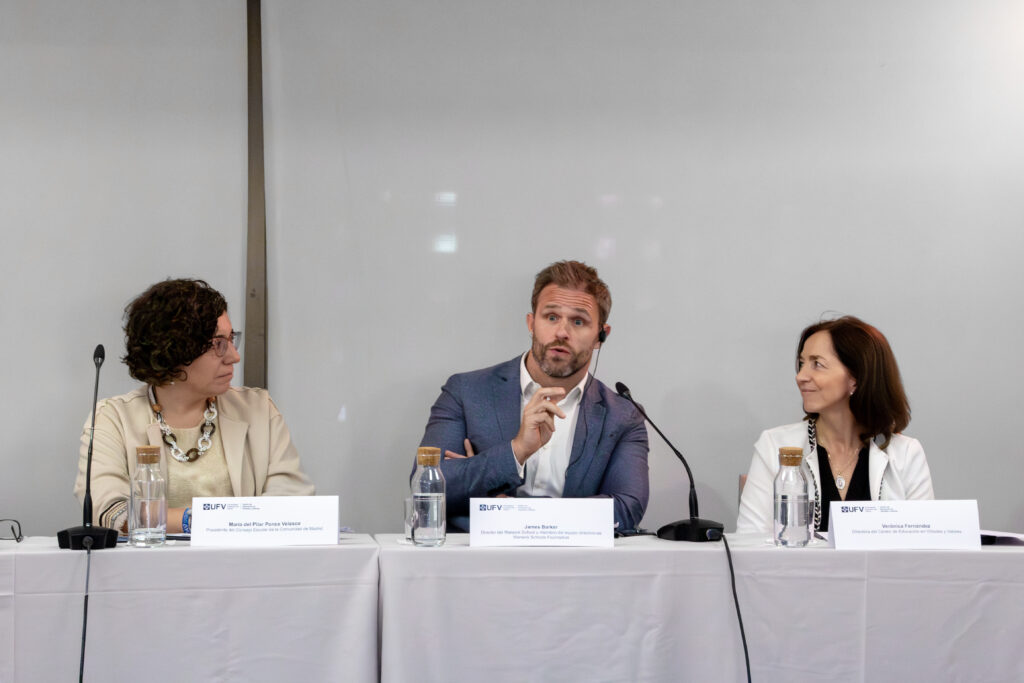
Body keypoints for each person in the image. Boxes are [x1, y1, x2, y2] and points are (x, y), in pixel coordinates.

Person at [417, 260, 649, 532]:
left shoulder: (623, 416)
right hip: (478, 566)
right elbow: (427, 488)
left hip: (576, 570)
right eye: (551, 317)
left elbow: (625, 509)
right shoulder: (466, 393)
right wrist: (516, 451)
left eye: (578, 321)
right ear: (531, 322)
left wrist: (509, 511)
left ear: (601, 336)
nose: (562, 332)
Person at [74, 278, 314, 534]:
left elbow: (292, 505)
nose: (234, 356)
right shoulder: (113, 419)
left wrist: (203, 522)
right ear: (174, 353)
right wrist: (204, 521)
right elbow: (112, 514)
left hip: (245, 569)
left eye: (232, 339)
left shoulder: (258, 410)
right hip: (146, 573)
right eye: (218, 344)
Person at [736, 315, 934, 534]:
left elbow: (922, 549)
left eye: (817, 364)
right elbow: (749, 543)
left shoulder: (906, 454)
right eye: (802, 364)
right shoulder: (775, 446)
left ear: (856, 377)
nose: (800, 376)